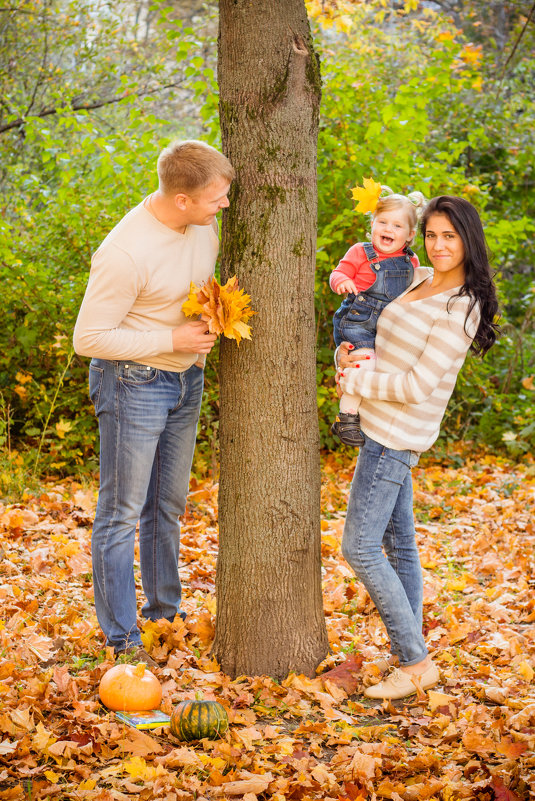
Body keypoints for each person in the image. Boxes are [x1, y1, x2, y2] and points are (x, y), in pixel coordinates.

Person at [73, 140, 235, 666]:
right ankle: (121, 638)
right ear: (182, 200)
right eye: (216, 199)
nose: (225, 207)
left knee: (166, 507)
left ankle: (165, 614)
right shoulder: (125, 252)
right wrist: (171, 342)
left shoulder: (202, 224)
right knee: (120, 513)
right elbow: (89, 338)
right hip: (132, 383)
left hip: (187, 381)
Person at [335, 196, 499, 699]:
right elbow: (373, 319)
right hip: (382, 425)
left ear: (468, 239)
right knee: (400, 547)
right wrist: (349, 348)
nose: (438, 244)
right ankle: (410, 651)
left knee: (359, 548)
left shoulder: (460, 306)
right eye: (431, 234)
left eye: (449, 235)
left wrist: (356, 382)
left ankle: (414, 661)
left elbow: (418, 385)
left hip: (394, 433)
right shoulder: (417, 276)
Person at [330, 190, 425, 447]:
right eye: (382, 222)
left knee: (383, 372)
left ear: (410, 235)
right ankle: (347, 418)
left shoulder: (411, 262)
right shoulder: (361, 252)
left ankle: (356, 401)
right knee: (363, 366)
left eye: (397, 225)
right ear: (372, 224)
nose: (388, 229)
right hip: (357, 324)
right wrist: (343, 282)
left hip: (386, 330)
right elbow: (337, 273)